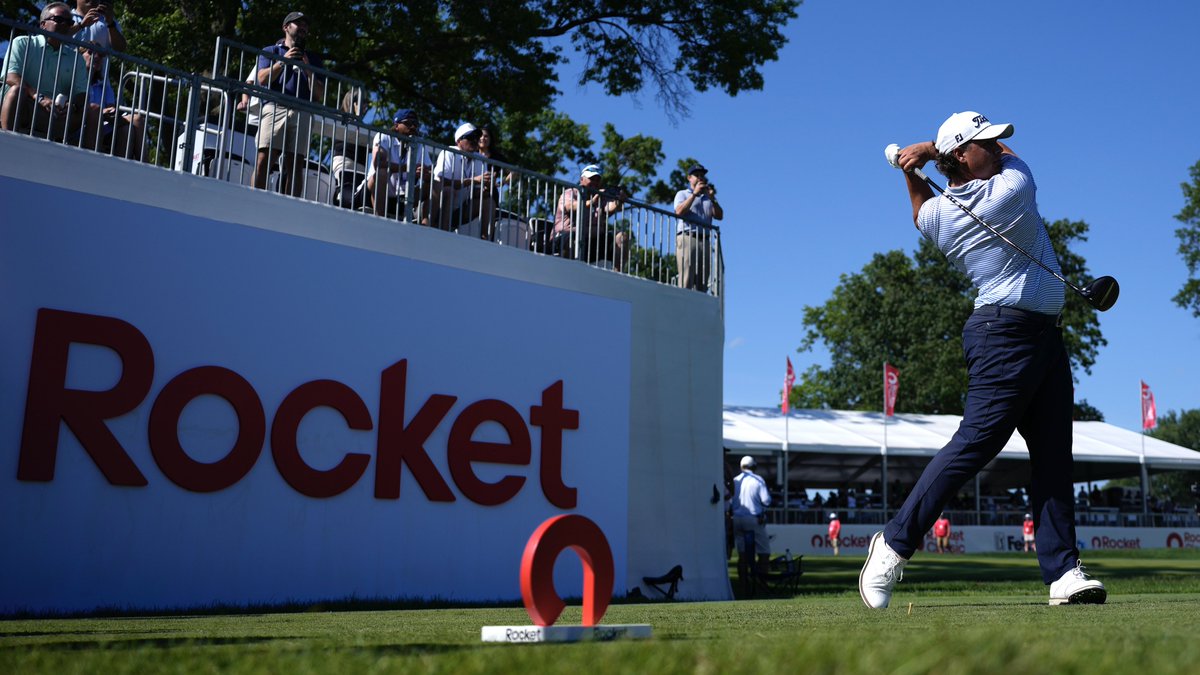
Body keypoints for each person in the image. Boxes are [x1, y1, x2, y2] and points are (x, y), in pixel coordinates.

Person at [860, 111, 1106, 609]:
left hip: (1041, 336)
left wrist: (914, 166)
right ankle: (892, 543)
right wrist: (930, 150)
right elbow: (1016, 159)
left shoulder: (939, 217)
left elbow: (919, 211)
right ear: (962, 155)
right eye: (985, 143)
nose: (997, 148)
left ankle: (1063, 573)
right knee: (977, 442)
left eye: (995, 142)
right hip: (1003, 335)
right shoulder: (1011, 189)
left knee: (1054, 456)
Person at [252, 11, 326, 197]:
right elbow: (262, 79)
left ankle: (290, 206)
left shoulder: (314, 59)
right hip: (274, 107)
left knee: (296, 164)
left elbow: (319, 94)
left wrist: (308, 69)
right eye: (297, 23)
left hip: (302, 111)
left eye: (305, 25)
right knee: (264, 159)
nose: (303, 27)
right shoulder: (271, 51)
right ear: (286, 27)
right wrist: (283, 62)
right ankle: (254, 200)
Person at [1, 3, 92, 141]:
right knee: (17, 91)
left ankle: (77, 153)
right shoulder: (22, 43)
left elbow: (82, 94)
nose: (64, 25)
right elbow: (11, 76)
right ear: (43, 24)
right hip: (23, 105)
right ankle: (7, 142)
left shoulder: (76, 58)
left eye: (69, 22)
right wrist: (40, 98)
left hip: (53, 114)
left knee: (92, 109)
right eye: (58, 20)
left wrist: (71, 105)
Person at [551, 164, 630, 268]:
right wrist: (591, 202)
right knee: (571, 238)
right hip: (564, 240)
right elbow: (571, 206)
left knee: (621, 237)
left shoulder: (600, 197)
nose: (595, 182)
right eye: (591, 179)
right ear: (581, 180)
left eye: (597, 180)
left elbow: (610, 208)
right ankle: (568, 271)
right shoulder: (571, 193)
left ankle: (617, 274)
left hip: (591, 243)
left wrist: (619, 201)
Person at [78, 44, 145, 161]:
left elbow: (111, 108)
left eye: (101, 54)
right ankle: (92, 162)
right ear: (80, 55)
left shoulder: (104, 85)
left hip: (105, 124)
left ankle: (140, 165)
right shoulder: (74, 79)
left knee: (134, 123)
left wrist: (110, 112)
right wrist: (101, 111)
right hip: (82, 123)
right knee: (96, 113)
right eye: (91, 52)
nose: (97, 56)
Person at [365, 109, 432, 219]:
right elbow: (379, 163)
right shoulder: (384, 136)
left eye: (416, 124)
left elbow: (430, 171)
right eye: (408, 123)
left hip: (401, 198)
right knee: (382, 172)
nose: (413, 127)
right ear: (396, 125)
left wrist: (425, 174)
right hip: (371, 193)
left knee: (434, 183)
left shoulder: (419, 144)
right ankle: (379, 220)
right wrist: (408, 167)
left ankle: (425, 224)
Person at [429, 122, 493, 235]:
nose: (474, 140)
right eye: (470, 137)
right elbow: (443, 182)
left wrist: (487, 188)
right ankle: (443, 235)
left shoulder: (481, 159)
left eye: (476, 137)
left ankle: (486, 240)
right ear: (458, 141)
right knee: (449, 191)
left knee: (489, 202)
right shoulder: (449, 152)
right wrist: (474, 180)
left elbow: (477, 192)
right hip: (437, 207)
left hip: (459, 211)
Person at [673, 163, 723, 292]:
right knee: (686, 279)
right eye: (697, 175)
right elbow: (679, 212)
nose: (700, 177)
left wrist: (713, 199)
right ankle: (683, 301)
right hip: (688, 238)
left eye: (702, 175)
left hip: (705, 240)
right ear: (689, 178)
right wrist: (694, 194)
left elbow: (719, 216)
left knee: (702, 281)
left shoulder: (708, 198)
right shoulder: (682, 194)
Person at [729, 455, 771, 582]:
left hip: (736, 519)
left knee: (742, 555)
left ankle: (743, 583)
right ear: (754, 466)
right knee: (764, 552)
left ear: (741, 467)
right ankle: (761, 582)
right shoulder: (758, 480)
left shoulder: (735, 480)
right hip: (754, 519)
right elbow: (766, 501)